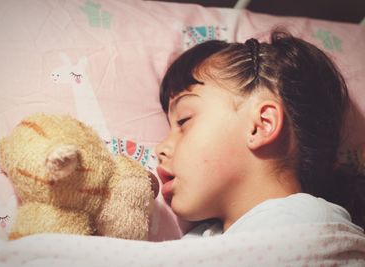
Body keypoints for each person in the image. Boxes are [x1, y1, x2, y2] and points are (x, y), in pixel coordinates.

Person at [155, 29, 365, 237]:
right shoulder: (203, 238)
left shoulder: (311, 223)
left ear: (261, 124)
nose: (160, 148)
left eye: (184, 121)